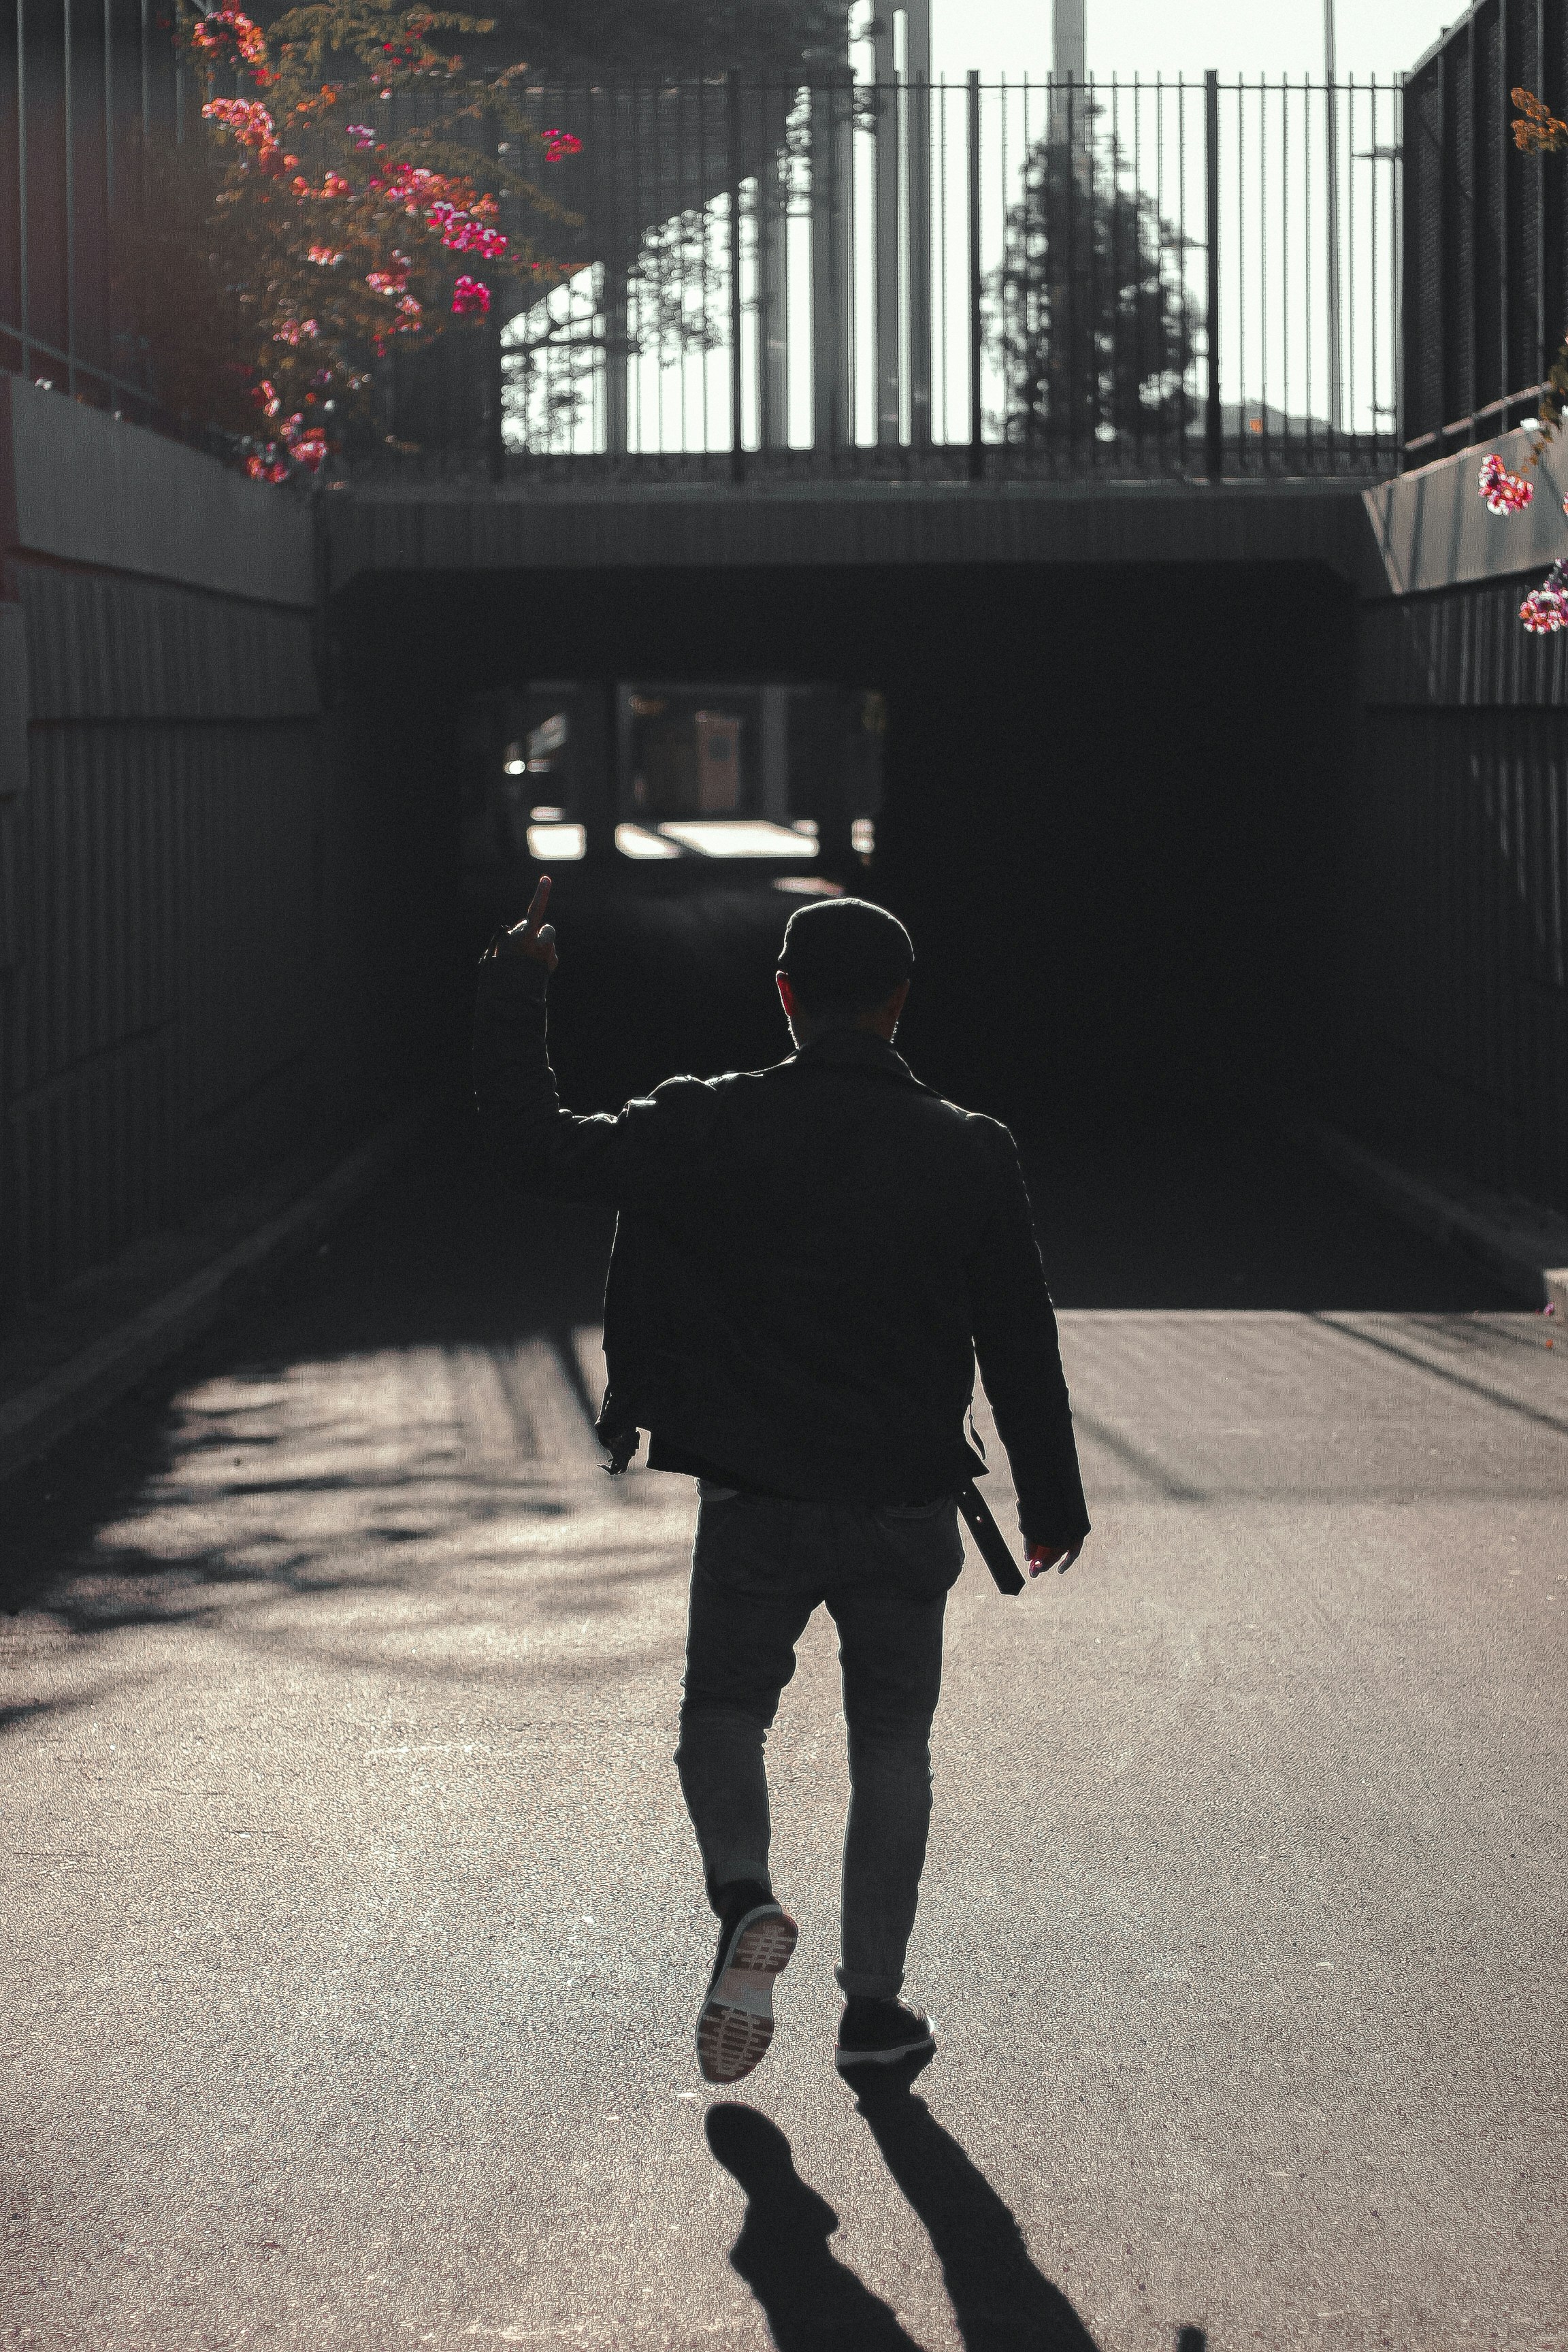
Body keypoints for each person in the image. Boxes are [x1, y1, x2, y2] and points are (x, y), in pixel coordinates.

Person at [473, 877, 1089, 2087]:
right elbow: (1021, 1335)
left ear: (785, 996)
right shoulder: (970, 1149)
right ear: (901, 1004)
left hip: (756, 1495)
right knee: (892, 1749)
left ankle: (747, 1900)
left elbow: (531, 1144)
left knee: (723, 1711)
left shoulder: (707, 1126)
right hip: (906, 1500)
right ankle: (874, 2014)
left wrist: (515, 989)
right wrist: (1051, 1495)